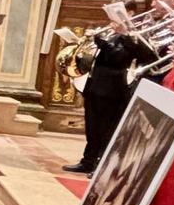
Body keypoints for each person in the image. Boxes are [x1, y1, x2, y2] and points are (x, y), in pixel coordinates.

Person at [64, 17, 151, 175]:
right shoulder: (112, 35)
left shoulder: (130, 38)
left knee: (106, 130)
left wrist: (99, 39)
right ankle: (88, 161)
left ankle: (101, 166)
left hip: (112, 90)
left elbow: (116, 57)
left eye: (115, 19)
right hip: (94, 85)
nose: (112, 23)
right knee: (92, 128)